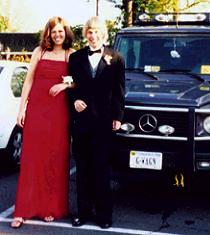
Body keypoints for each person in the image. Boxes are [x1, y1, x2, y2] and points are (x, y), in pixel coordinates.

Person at [11, 16, 75, 228]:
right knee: (31, 158)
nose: (57, 35)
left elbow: (79, 81)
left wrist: (66, 86)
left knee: (54, 159)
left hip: (59, 113)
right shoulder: (40, 52)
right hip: (37, 110)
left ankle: (50, 207)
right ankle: (23, 210)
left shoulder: (70, 54)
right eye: (53, 31)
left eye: (60, 31)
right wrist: (22, 109)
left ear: (65, 33)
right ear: (48, 33)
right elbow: (28, 80)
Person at [68, 16, 125, 229]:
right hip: (81, 122)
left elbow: (119, 91)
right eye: (89, 32)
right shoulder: (75, 57)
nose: (93, 35)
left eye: (96, 31)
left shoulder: (116, 58)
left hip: (104, 122)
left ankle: (104, 215)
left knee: (101, 170)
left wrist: (118, 117)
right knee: (82, 169)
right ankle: (82, 213)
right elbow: (70, 86)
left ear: (104, 34)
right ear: (86, 34)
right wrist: (75, 101)